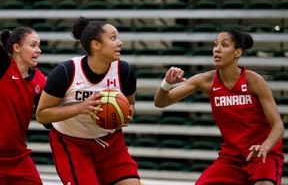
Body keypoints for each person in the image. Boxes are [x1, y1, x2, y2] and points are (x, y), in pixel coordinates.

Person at [154, 28, 284, 185]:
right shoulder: (205, 80)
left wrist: (264, 147)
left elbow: (278, 126)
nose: (217, 49)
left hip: (263, 155)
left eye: (224, 45)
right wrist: (167, 83)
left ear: (238, 53)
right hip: (232, 158)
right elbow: (161, 102)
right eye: (215, 44)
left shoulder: (254, 81)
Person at [36, 16, 141, 185]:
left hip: (110, 143)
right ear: (96, 44)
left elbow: (130, 104)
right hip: (72, 143)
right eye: (113, 38)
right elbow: (41, 115)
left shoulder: (124, 71)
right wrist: (80, 108)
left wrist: (125, 115)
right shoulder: (66, 72)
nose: (120, 43)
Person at [0, 26, 46, 185]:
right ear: (16, 48)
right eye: (33, 45)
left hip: (18, 156)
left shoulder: (40, 80)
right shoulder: (4, 66)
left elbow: (48, 121)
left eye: (39, 45)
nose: (38, 50)